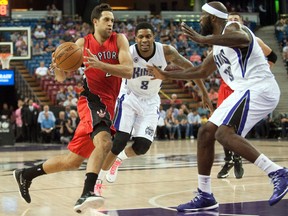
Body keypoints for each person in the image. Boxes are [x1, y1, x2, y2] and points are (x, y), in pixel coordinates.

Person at [147, 1, 287, 212]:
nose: (199, 20)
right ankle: (205, 195)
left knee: (224, 133)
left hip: (259, 87)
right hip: (243, 91)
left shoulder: (232, 28)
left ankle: (277, 173)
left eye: (202, 16)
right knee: (205, 132)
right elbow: (201, 71)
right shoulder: (217, 46)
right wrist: (166, 75)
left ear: (212, 18)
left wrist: (205, 39)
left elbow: (244, 38)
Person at [13, 3, 133, 214]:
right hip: (91, 100)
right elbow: (61, 77)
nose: (110, 24)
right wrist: (57, 66)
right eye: (106, 20)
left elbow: (129, 70)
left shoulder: (119, 39)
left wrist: (101, 65)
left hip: (109, 103)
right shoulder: (81, 44)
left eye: (112, 20)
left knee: (72, 161)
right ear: (95, 22)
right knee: (104, 141)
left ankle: (26, 174)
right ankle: (87, 193)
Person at [94, 22, 213, 195]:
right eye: (140, 36)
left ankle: (119, 159)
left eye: (148, 36)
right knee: (119, 141)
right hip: (129, 96)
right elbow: (106, 67)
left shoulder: (166, 52)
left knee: (142, 147)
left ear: (153, 37)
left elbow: (191, 68)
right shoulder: (128, 52)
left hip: (150, 101)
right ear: (135, 39)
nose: (144, 40)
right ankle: (97, 182)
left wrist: (204, 92)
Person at [217, 11, 278, 179]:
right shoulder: (221, 43)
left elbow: (272, 56)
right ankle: (229, 159)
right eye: (229, 21)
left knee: (231, 129)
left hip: (245, 86)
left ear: (241, 23)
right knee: (219, 127)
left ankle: (237, 158)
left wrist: (264, 70)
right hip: (226, 87)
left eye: (235, 20)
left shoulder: (252, 40)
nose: (232, 23)